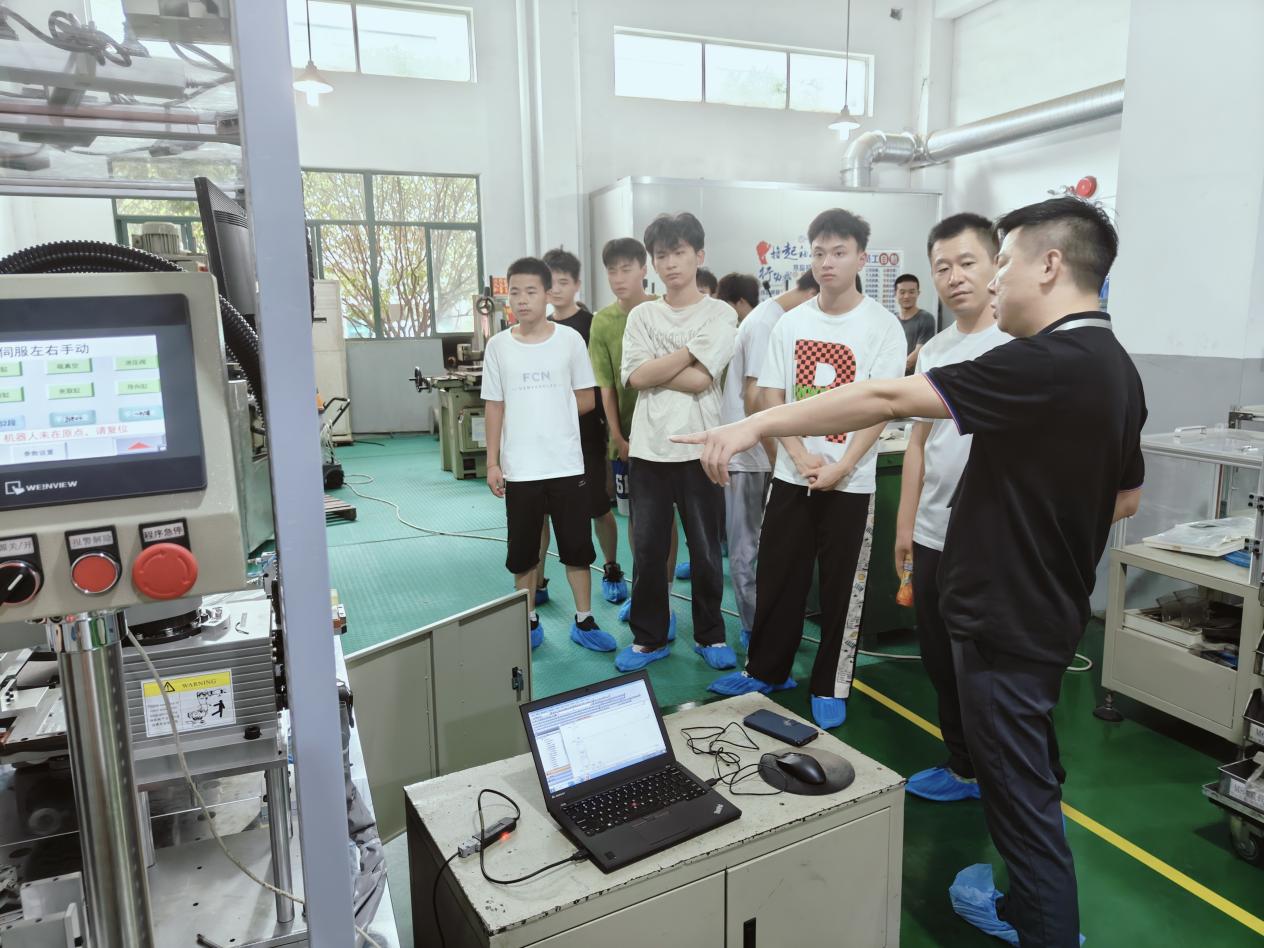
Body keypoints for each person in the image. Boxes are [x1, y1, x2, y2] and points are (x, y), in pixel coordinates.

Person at [676, 197, 1146, 948]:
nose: (992, 281)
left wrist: (753, 424)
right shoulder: (1116, 366)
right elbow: (1125, 496)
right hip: (1047, 606)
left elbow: (885, 396)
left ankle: (1040, 924)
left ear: (1051, 265)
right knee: (1026, 776)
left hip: (1005, 614)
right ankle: (1028, 904)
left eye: (1003, 263)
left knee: (1019, 799)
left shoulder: (1050, 362)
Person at [708, 209, 905, 731]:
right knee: (778, 576)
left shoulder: (883, 327)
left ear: (861, 258)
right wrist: (797, 456)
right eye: (819, 252)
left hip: (851, 481)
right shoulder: (791, 324)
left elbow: (881, 408)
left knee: (842, 589)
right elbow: (773, 399)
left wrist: (844, 465)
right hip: (794, 476)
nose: (827, 262)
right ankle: (767, 670)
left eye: (839, 252)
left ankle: (830, 684)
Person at [894, 214, 1009, 803]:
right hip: (933, 532)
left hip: (989, 541)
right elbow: (918, 443)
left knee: (985, 669)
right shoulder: (934, 350)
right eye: (943, 267)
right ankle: (962, 765)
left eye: (967, 263)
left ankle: (1002, 777)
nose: (955, 276)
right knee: (939, 660)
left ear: (996, 266)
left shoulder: (1020, 346)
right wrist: (905, 524)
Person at [617, 212, 737, 672]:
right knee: (648, 551)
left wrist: (657, 366)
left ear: (699, 255)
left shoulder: (720, 314)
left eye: (679, 253)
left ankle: (710, 635)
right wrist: (690, 351)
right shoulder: (642, 314)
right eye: (661, 255)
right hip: (649, 450)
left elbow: (702, 380)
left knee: (706, 551)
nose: (670, 263)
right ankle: (649, 638)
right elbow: (634, 377)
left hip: (702, 449)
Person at [481, 257, 615, 653]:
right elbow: (494, 406)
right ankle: (528, 620)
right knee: (523, 552)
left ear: (547, 294)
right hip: (520, 468)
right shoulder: (498, 346)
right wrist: (492, 462)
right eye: (515, 292)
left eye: (531, 291)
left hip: (565, 463)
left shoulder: (570, 340)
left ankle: (584, 620)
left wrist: (548, 410)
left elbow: (587, 398)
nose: (522, 300)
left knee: (577, 547)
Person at [715, 270, 819, 649]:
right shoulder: (765, 323)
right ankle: (755, 629)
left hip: (767, 452)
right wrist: (782, 458)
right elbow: (755, 399)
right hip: (751, 456)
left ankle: (770, 624)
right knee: (746, 549)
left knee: (768, 546)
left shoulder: (775, 319)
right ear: (812, 291)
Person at [528, 247, 626, 611]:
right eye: (550, 282)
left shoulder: (591, 325)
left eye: (563, 282)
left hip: (585, 433)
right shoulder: (538, 329)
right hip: (543, 438)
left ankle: (612, 567)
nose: (555, 289)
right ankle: (538, 581)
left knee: (597, 507)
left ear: (577, 285)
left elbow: (603, 384)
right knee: (540, 513)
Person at [589, 238, 680, 610]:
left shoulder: (664, 311)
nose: (618, 278)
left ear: (644, 269)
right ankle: (644, 592)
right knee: (634, 518)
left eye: (626, 269)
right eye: (611, 271)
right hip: (626, 441)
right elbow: (606, 386)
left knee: (665, 518)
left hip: (666, 436)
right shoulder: (601, 322)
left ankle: (666, 598)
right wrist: (617, 437)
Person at [894, 273, 936, 373]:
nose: (906, 296)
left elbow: (918, 353)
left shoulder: (926, 318)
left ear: (918, 293)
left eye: (911, 292)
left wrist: (892, 372)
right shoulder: (892, 320)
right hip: (893, 376)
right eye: (902, 292)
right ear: (895, 294)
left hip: (914, 377)